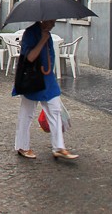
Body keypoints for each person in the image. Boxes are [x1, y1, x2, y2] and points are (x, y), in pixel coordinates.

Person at [12, 19, 78, 161]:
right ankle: (22, 146)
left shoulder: (47, 33)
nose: (54, 24)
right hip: (33, 80)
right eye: (51, 21)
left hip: (47, 80)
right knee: (27, 113)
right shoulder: (31, 33)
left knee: (55, 110)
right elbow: (29, 57)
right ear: (44, 20)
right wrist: (42, 40)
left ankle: (59, 147)